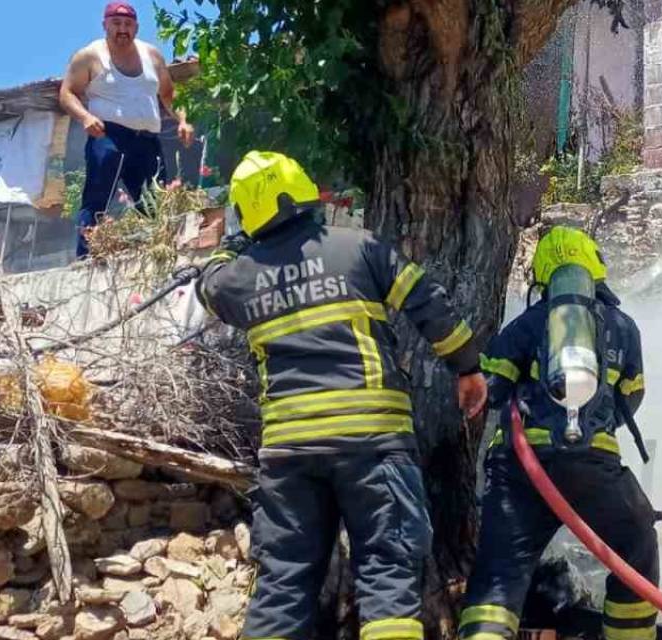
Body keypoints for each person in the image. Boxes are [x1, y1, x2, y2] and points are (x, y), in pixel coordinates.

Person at [196, 151, 488, 640]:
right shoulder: (359, 248)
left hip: (290, 454)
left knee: (283, 583)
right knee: (389, 574)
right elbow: (428, 304)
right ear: (304, 192)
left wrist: (234, 240)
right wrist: (468, 368)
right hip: (373, 444)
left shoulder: (240, 276)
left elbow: (208, 285)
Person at [463, 226, 660, 640]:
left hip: (520, 474)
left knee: (499, 576)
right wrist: (596, 425)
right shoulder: (624, 328)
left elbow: (488, 391)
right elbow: (633, 395)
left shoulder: (527, 323)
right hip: (594, 469)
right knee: (635, 541)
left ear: (543, 274)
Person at [58, 1, 196, 258]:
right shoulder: (89, 56)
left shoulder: (151, 55)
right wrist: (85, 117)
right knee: (98, 199)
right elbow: (66, 94)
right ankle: (85, 259)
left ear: (136, 27)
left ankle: (161, 253)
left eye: (128, 24)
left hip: (146, 139)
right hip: (108, 135)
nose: (122, 29)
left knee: (155, 202)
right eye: (116, 23)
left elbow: (168, 94)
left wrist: (182, 121)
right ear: (105, 25)